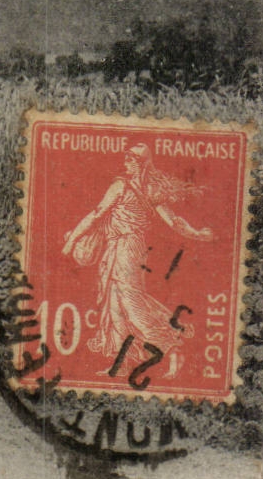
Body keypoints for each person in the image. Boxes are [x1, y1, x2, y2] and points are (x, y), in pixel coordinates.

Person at [62, 143, 213, 376]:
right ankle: (124, 362)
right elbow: (99, 214)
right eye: (126, 160)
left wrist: (72, 240)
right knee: (115, 304)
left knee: (131, 304)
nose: (126, 164)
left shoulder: (127, 187)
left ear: (141, 164)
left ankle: (171, 347)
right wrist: (197, 233)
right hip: (119, 247)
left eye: (130, 161)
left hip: (127, 248)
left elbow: (172, 221)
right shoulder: (137, 187)